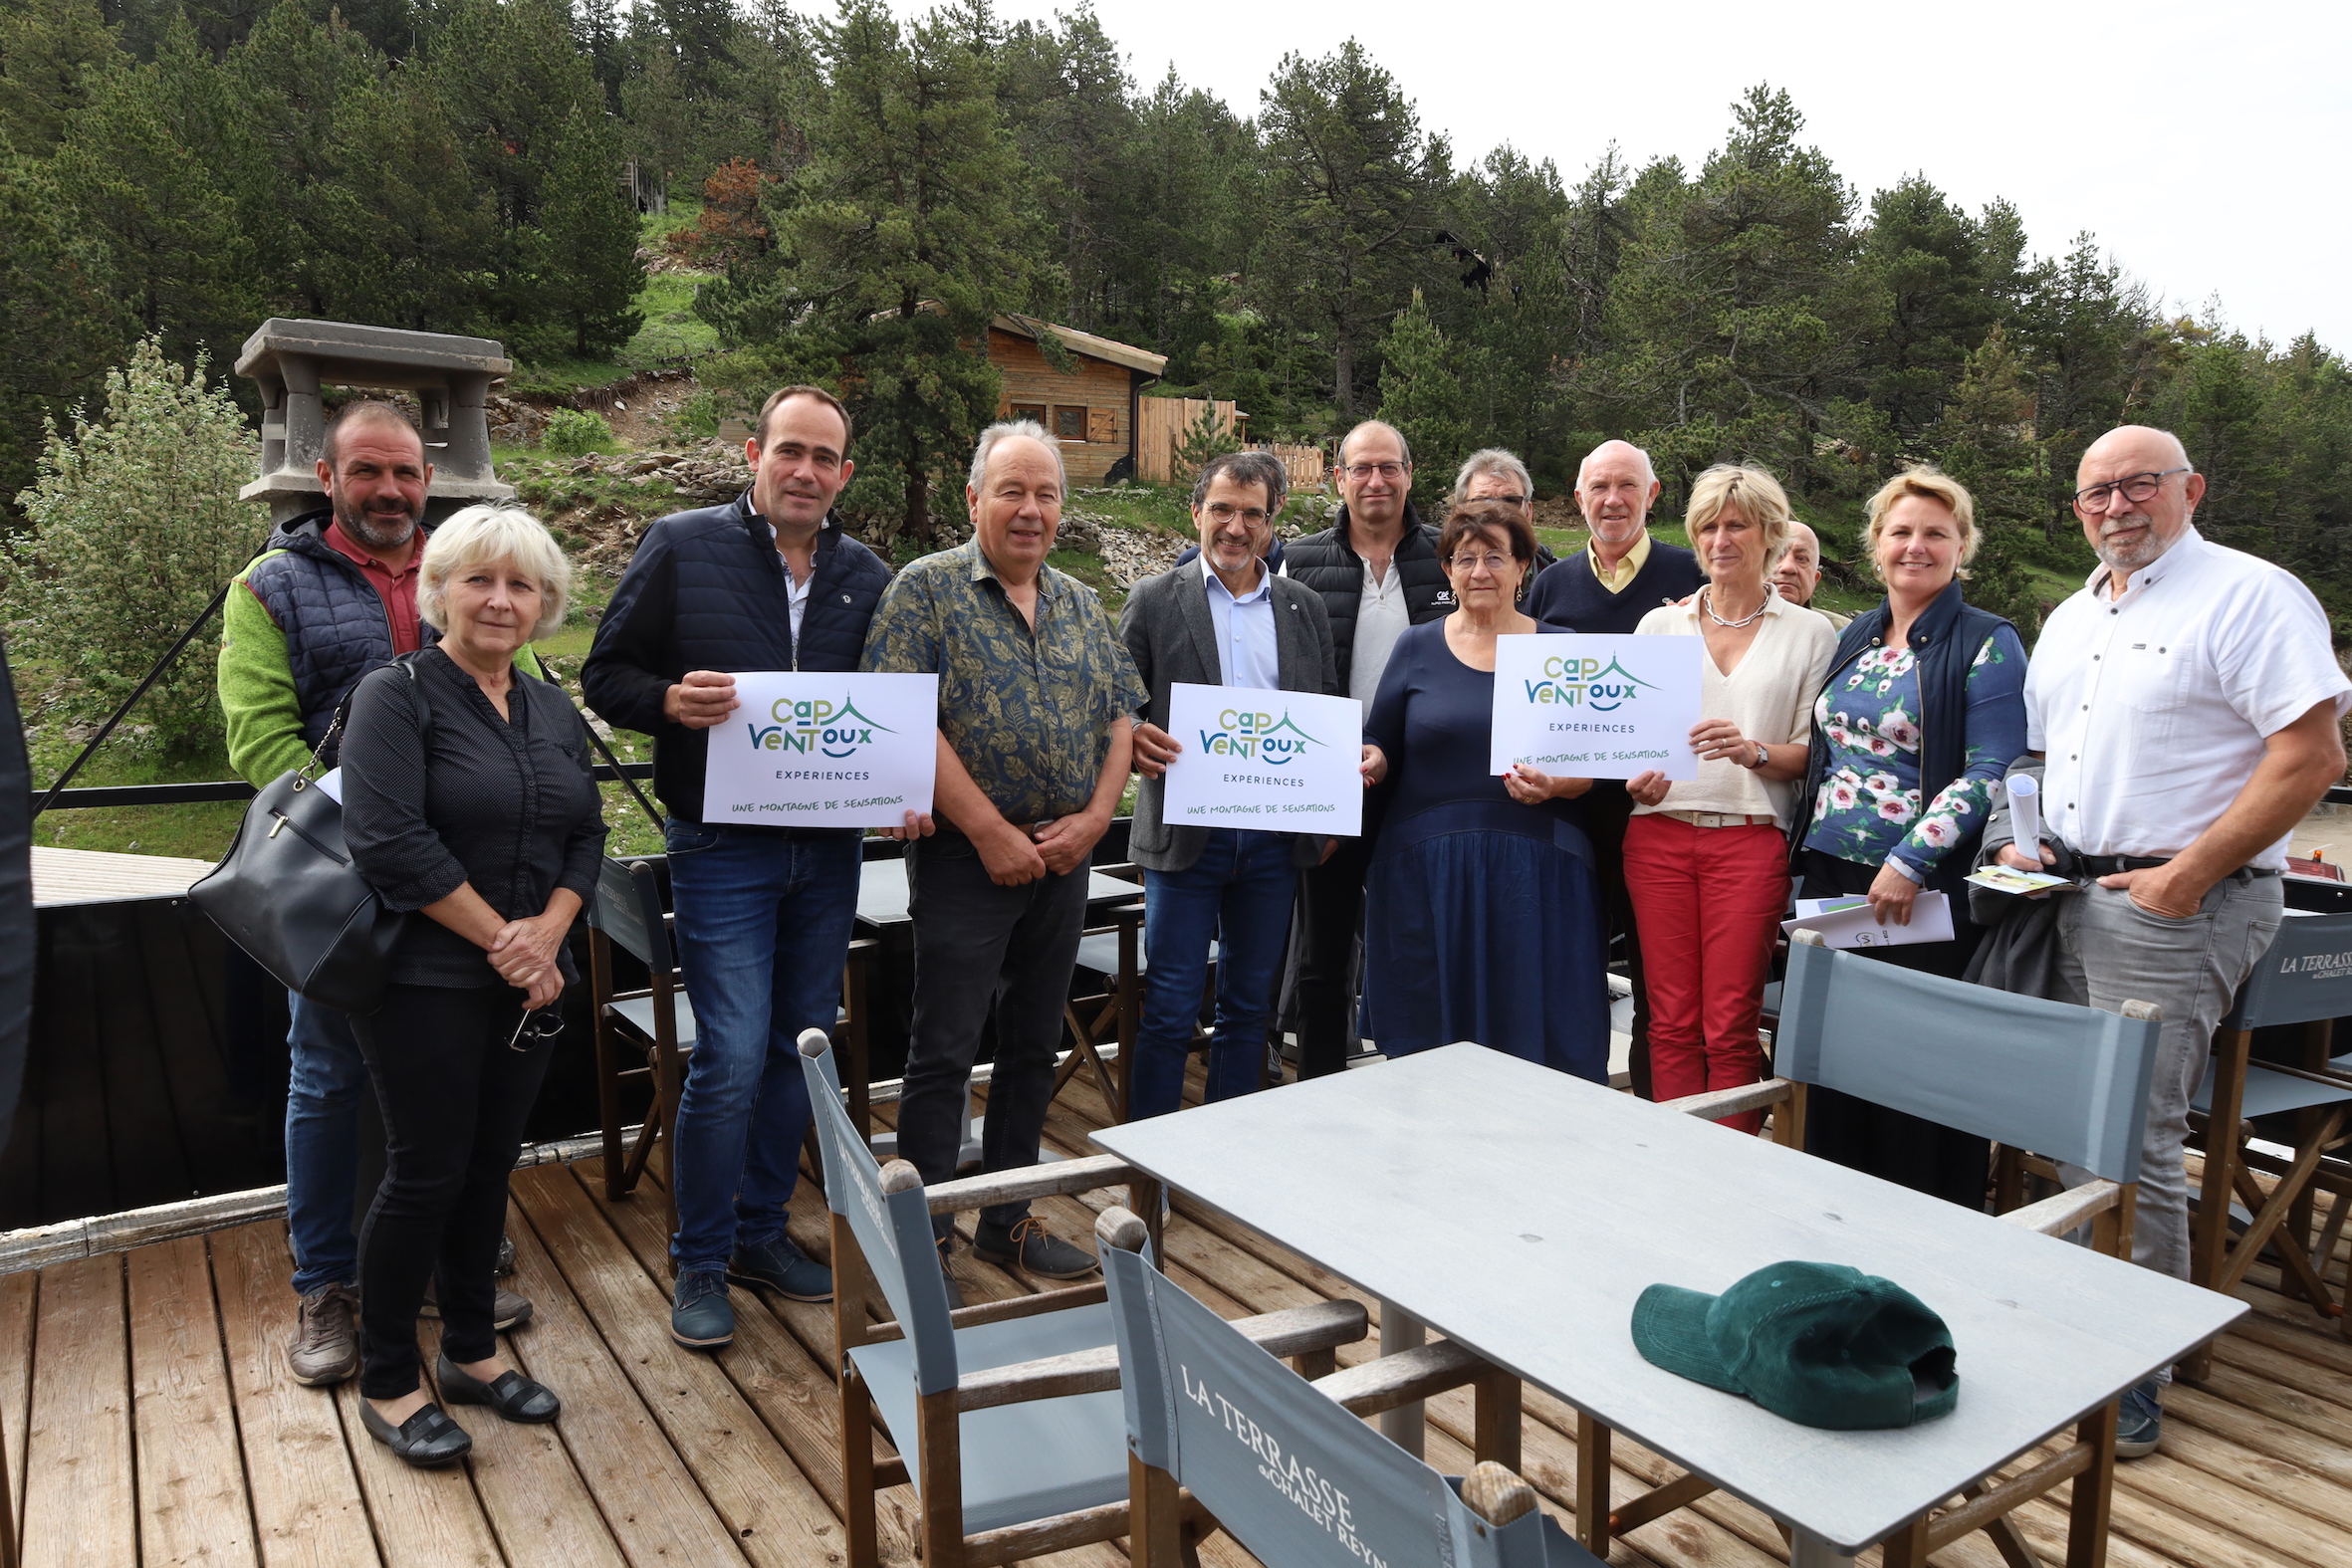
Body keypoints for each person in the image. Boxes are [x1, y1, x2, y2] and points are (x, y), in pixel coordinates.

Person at [1991, 425, 2348, 1458]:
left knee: (2129, 1134)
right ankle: (2080, 1325)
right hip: (2064, 891)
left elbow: (2311, 755)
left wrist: (2184, 878)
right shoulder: (2068, 616)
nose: (2115, 505)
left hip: (2175, 902)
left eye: (2138, 484)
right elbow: (2047, 757)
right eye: (2095, 491)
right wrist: (2025, 845)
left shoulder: (2249, 594)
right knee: (2064, 1120)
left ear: (2191, 487)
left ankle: (2127, 1377)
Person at [218, 400, 532, 1390]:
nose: (390, 490)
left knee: (450, 1076)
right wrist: (382, 829)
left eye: (405, 472)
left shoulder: (463, 568)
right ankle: (328, 1287)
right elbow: (259, 740)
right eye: (368, 473)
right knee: (325, 1077)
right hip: (345, 890)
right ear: (328, 479)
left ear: (425, 481)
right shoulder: (268, 588)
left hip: (454, 886)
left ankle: (443, 1265)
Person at [582, 384, 896, 1352]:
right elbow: (605, 675)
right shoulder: (682, 545)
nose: (805, 471)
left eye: (824, 459)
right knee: (725, 1054)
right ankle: (702, 1260)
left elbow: (893, 706)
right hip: (722, 846)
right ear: (754, 453)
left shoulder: (868, 574)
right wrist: (671, 702)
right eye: (789, 451)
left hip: (830, 844)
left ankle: (763, 1234)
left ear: (844, 475)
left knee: (795, 1049)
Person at [340, 506, 606, 1466]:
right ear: (436, 587)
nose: (500, 600)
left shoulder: (549, 705)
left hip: (528, 980)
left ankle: (468, 1351)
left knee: (492, 1164)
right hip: (424, 978)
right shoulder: (395, 695)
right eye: (479, 580)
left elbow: (588, 831)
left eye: (522, 584)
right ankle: (385, 1375)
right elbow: (389, 844)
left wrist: (554, 929)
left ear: (545, 604)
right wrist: (509, 942)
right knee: (425, 1172)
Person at [861, 420, 1144, 1298]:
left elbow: (1122, 715)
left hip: (1064, 856)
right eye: (1011, 491)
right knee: (943, 1050)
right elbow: (903, 716)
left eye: (1046, 493)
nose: (1030, 509)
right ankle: (927, 1237)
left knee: (1031, 1045)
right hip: (964, 859)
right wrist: (987, 830)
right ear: (975, 497)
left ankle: (1007, 1219)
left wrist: (1099, 818)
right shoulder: (925, 590)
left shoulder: (1081, 602)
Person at [1785, 469, 2026, 1204]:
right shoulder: (1853, 632)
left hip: (1919, 893)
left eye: (1935, 533)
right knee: (1839, 1059)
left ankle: (1930, 1226)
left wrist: (1911, 859)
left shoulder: (1988, 642)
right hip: (1832, 881)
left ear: (1962, 547)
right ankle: (1835, 1218)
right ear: (1876, 544)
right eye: (1900, 531)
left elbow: (1993, 766)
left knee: (1918, 1068)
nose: (1915, 546)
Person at [1120, 451, 1337, 1118]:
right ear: (1196, 513)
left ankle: (1224, 1162)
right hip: (1188, 838)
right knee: (1170, 1007)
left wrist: (1327, 811)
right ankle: (1149, 1166)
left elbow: (1322, 710)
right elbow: (1115, 700)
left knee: (1249, 1008)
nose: (1236, 527)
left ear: (1273, 524)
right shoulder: (1154, 600)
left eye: (1252, 513)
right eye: (1222, 509)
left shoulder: (1304, 608)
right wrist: (1131, 733)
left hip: (1272, 843)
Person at [1357, 501, 1607, 1076]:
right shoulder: (1415, 646)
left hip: (1537, 872)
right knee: (1428, 1044)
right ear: (1447, 570)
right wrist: (1370, 757)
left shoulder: (1561, 649)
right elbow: (1382, 743)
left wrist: (1557, 784)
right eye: (1463, 558)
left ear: (1523, 567)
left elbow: (1594, 769)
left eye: (1495, 556)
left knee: (1536, 1033)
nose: (1479, 571)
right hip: (1426, 873)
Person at [1622, 464, 1834, 1130]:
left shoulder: (1810, 633)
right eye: (1708, 525)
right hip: (1657, 836)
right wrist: (1637, 776)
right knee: (1671, 1018)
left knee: (1731, 1022)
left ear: (1768, 533)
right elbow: (1631, 748)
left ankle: (1731, 1175)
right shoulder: (1658, 626)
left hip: (1749, 840)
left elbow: (1814, 756)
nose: (1720, 539)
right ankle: (1676, 1173)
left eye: (1736, 524)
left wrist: (1754, 750)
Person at [1523, 440, 1708, 1097]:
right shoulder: (1552, 584)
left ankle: (1655, 1111)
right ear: (1578, 498)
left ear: (1653, 495)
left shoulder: (1691, 576)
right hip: (1572, 818)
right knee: (1572, 969)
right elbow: (1530, 698)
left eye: (1627, 485)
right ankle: (1573, 1098)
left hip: (1661, 815)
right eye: (1598, 486)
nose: (1612, 499)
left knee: (1660, 980)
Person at [1279, 421, 1451, 1078]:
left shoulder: (1450, 555)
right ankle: (1321, 1091)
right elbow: (1285, 675)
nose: (1376, 481)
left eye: (1389, 467)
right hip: (1334, 784)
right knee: (1323, 957)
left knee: (1425, 949)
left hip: (1426, 786)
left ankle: (1427, 1086)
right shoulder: (1298, 558)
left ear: (1409, 474)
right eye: (1362, 468)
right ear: (1338, 477)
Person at [1771, 520, 1850, 629]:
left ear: (1815, 579)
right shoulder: (1738, 629)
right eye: (1777, 555)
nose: (1788, 567)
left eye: (1801, 559)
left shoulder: (1842, 633)